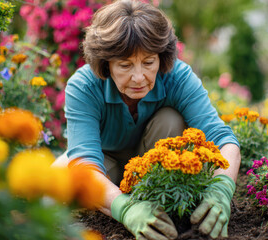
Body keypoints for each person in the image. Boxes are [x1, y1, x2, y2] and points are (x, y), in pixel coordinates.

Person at [55, 0, 241, 239]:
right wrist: (126, 209)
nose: (139, 77)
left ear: (161, 58)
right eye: (125, 65)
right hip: (105, 162)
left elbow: (223, 139)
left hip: (154, 166)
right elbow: (85, 164)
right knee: (56, 190)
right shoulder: (84, 87)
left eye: (148, 62)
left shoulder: (177, 77)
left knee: (171, 119)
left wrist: (221, 190)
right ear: (106, 64)